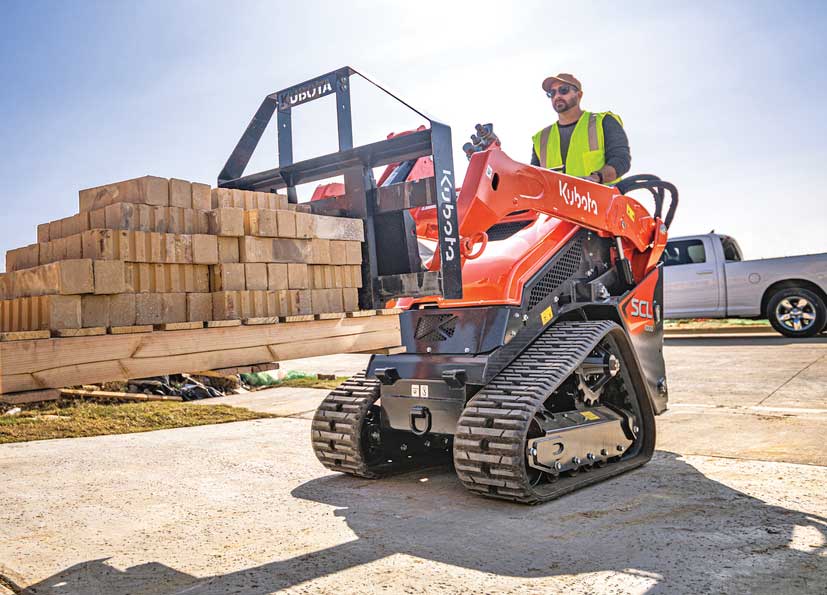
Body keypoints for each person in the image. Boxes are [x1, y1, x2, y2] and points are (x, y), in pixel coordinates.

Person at [531, 73, 630, 185]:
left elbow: (621, 161)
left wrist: (597, 177)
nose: (557, 96)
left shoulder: (603, 122)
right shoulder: (541, 139)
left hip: (600, 201)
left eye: (563, 90)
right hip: (555, 202)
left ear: (579, 94)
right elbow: (534, 179)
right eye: (552, 93)